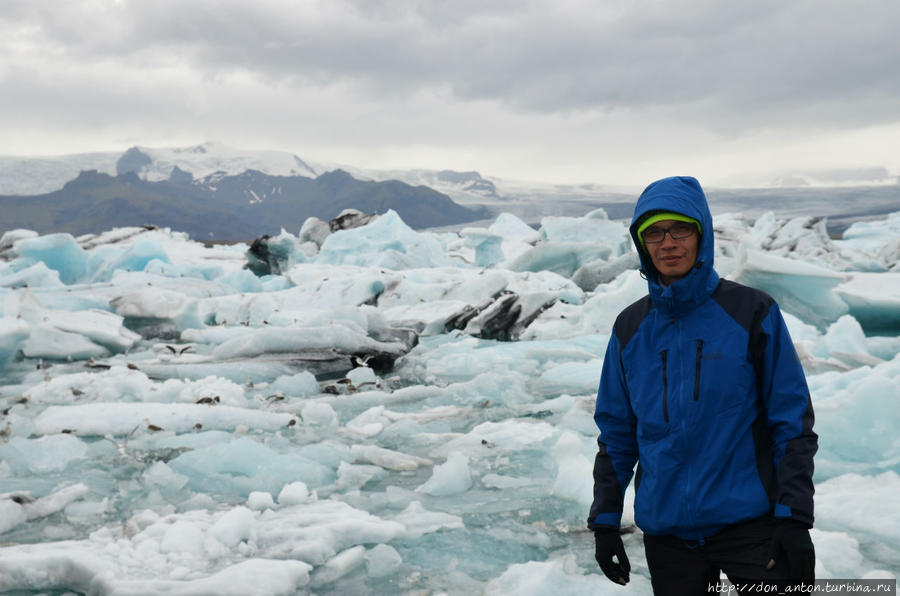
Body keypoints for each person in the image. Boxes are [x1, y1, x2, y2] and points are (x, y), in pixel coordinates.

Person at [587, 176, 817, 594]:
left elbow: (792, 422)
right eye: (653, 232)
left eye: (680, 228)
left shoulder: (750, 311)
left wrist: (794, 517)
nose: (668, 242)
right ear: (642, 244)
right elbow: (618, 433)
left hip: (751, 529)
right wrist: (605, 521)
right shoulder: (630, 327)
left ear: (701, 234)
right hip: (668, 537)